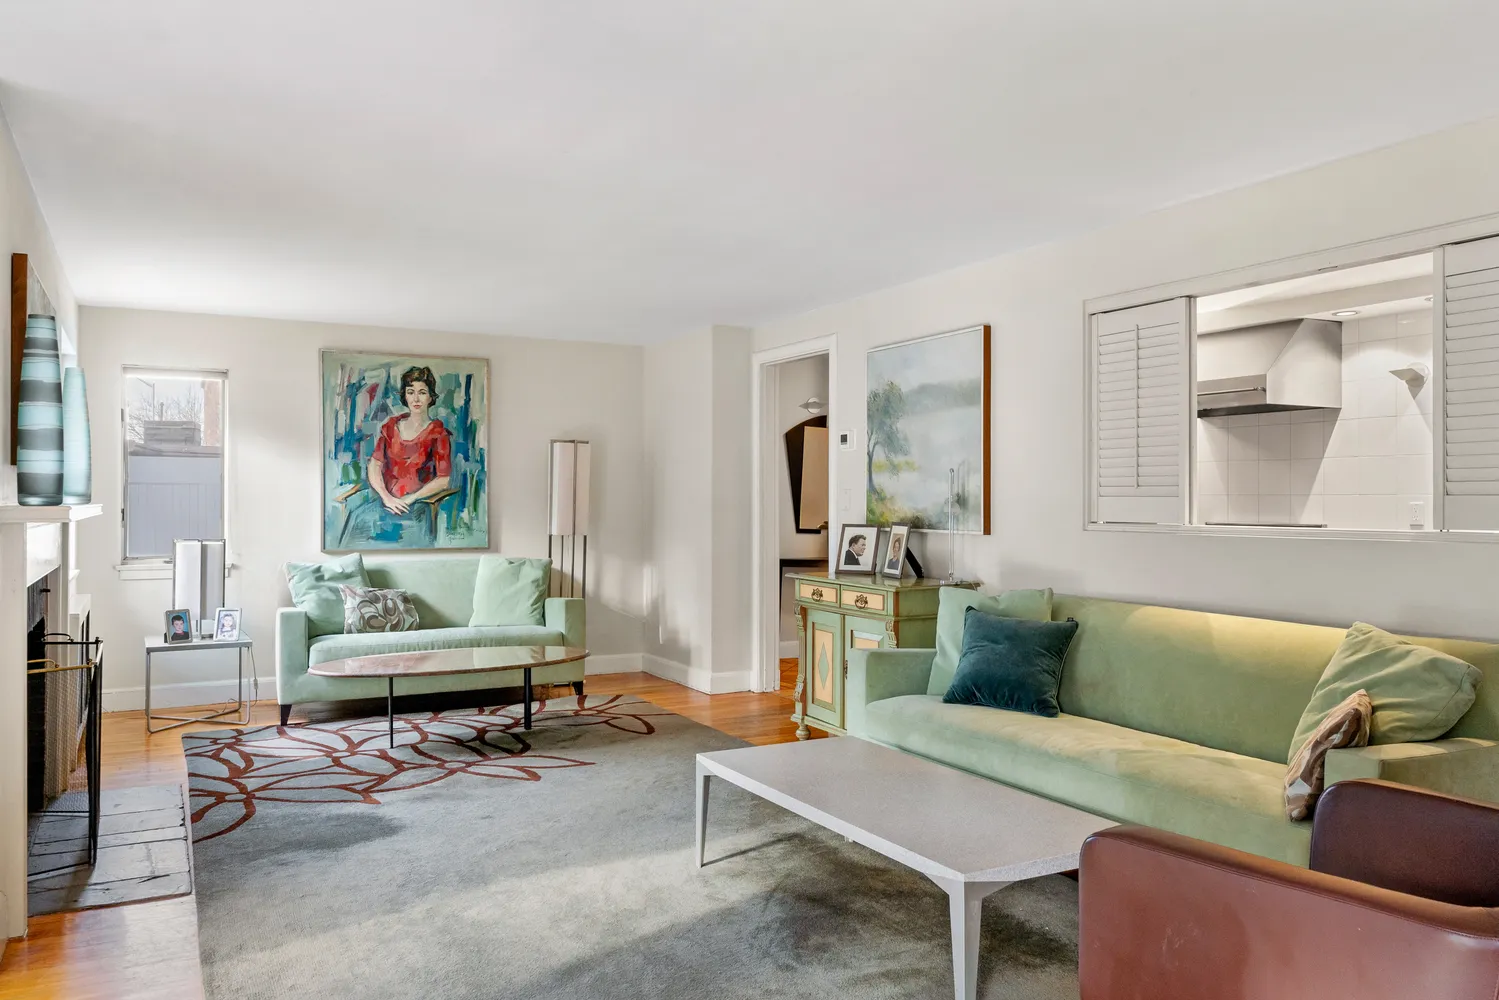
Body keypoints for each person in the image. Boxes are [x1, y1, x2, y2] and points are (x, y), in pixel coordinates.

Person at [339, 365, 454, 547]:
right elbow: (375, 465)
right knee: (358, 520)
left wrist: (411, 498)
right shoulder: (391, 426)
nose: (416, 398)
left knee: (409, 539)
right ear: (405, 395)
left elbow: (444, 479)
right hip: (385, 502)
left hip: (417, 504)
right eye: (411, 392)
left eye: (422, 392)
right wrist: (386, 497)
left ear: (431, 397)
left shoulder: (438, 433)